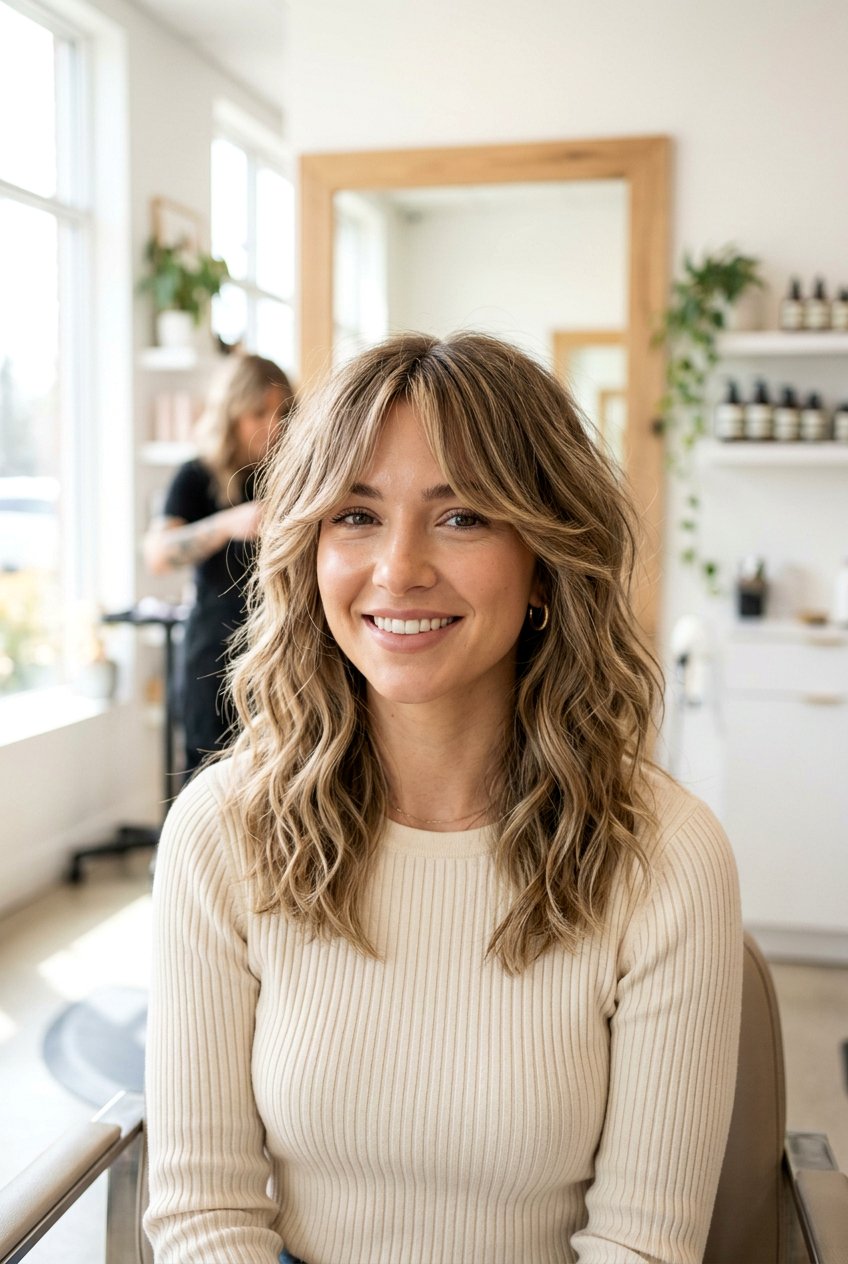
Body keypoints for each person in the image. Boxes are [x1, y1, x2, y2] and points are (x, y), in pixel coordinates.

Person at [144, 332, 743, 1264]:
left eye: (461, 516)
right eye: (356, 515)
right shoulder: (221, 832)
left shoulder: (666, 855)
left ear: (545, 558)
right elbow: (203, 1213)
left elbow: (642, 1244)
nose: (399, 569)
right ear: (306, 550)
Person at [143, 353, 295, 775]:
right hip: (212, 662)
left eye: (283, 412)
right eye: (259, 413)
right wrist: (229, 523)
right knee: (206, 784)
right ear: (231, 414)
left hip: (278, 656)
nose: (274, 425)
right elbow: (158, 553)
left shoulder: (290, 477)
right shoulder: (196, 477)